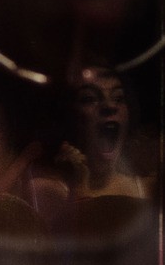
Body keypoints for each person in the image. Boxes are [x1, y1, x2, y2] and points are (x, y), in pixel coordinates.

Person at [56, 65, 155, 200]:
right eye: (90, 98)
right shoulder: (48, 190)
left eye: (118, 98)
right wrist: (79, 188)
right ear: (70, 115)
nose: (110, 106)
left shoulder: (147, 190)